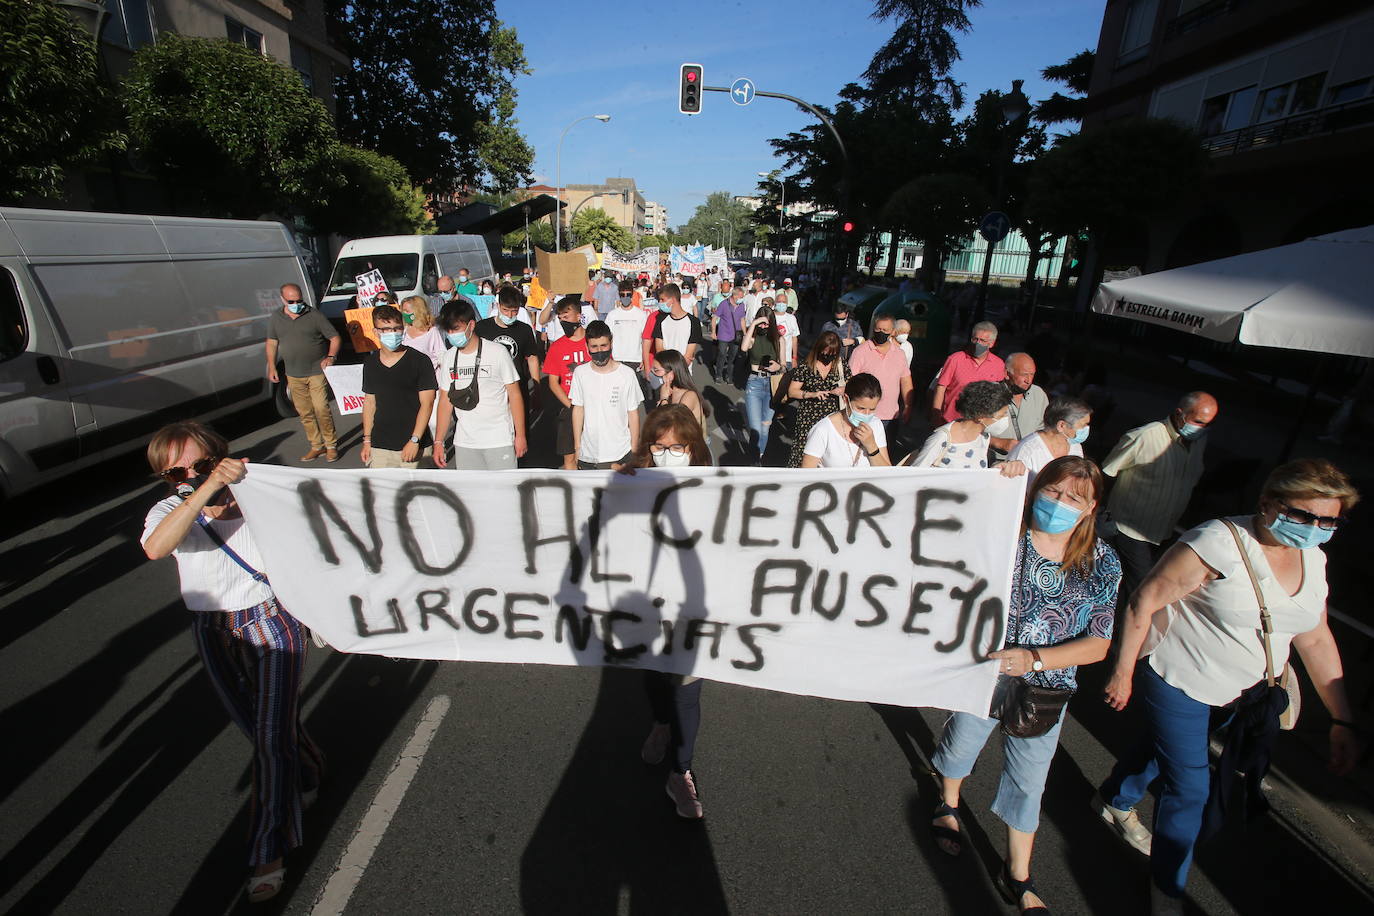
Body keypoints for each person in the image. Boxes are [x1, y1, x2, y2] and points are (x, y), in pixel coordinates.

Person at [1098, 459, 1361, 915]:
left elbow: (1315, 637)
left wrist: (1341, 719)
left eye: (1327, 521)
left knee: (1167, 751)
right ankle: (1167, 889)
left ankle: (1113, 800)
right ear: (1268, 504)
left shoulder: (1314, 560)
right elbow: (1145, 599)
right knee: (1190, 788)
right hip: (1178, 678)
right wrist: (1122, 670)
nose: (1314, 528)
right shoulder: (1216, 543)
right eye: (1302, 516)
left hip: (1244, 692)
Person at [140, 421, 324, 904]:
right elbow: (157, 548)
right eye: (173, 473)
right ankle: (307, 767)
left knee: (267, 740)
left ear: (221, 456)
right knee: (260, 727)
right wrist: (200, 493)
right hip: (212, 629)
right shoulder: (170, 509)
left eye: (199, 465)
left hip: (269, 620)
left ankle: (269, 850)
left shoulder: (259, 493)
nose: (187, 476)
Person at [931, 456, 1119, 916]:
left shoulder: (1102, 563)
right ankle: (948, 804)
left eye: (1073, 498)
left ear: (1091, 508)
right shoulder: (1003, 533)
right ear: (1036, 489)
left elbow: (1097, 643)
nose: (1058, 503)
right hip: (982, 668)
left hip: (1045, 687)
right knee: (962, 741)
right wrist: (1000, 477)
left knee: (1029, 777)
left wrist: (1034, 660)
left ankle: (1018, 874)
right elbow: (940, 516)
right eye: (1051, 491)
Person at [620, 404, 713, 818]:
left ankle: (681, 772)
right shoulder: (635, 482)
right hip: (649, 603)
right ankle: (660, 723)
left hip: (693, 604)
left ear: (693, 447)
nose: (668, 454)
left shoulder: (714, 485)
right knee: (656, 676)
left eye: (677, 448)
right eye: (659, 448)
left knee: (688, 691)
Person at [1100, 391, 1219, 600]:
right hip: (1128, 529)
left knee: (1131, 586)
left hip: (1162, 531)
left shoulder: (1199, 441)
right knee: (1141, 588)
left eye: (1207, 424)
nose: (1201, 428)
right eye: (1198, 421)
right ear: (1180, 414)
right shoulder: (1145, 436)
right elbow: (1106, 473)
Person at [432, 299, 526, 470]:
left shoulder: (497, 351)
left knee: (503, 492)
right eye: (448, 330)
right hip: (465, 441)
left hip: (499, 439)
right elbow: (445, 401)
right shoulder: (448, 357)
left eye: (456, 329)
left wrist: (520, 435)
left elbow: (514, 394)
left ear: (471, 325)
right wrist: (439, 441)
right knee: (471, 495)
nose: (452, 334)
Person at [266, 283, 340, 462]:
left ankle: (331, 445)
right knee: (305, 412)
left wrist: (331, 357)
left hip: (316, 371)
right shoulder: (276, 318)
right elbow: (271, 342)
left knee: (321, 408)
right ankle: (316, 446)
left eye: (299, 300)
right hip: (293, 373)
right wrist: (272, 366)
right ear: (283, 299)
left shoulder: (314, 315)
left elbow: (335, 337)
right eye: (292, 301)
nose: (297, 304)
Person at [361, 306, 438, 469]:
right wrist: (367, 440)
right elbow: (369, 403)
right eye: (386, 329)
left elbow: (427, 403)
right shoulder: (370, 363)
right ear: (376, 332)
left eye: (397, 328)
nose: (393, 333)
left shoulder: (420, 361)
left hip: (415, 445)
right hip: (380, 446)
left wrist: (414, 439)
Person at [908, 381, 1024, 474]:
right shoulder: (942, 438)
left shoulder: (983, 436)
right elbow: (914, 475)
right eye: (1001, 415)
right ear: (981, 417)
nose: (1005, 419)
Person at [571, 320, 643, 469]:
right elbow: (578, 409)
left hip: (621, 452)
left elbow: (633, 413)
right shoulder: (580, 373)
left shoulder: (627, 374)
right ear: (587, 347)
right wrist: (577, 446)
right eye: (594, 347)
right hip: (589, 453)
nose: (599, 351)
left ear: (611, 343)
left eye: (604, 346)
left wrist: (634, 447)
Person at [799, 373, 892, 468]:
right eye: (861, 408)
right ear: (846, 400)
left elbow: (887, 473)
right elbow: (806, 475)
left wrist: (872, 446)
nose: (866, 414)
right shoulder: (823, 430)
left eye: (872, 409)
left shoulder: (876, 424)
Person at [847, 313, 913, 442]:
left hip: (890, 416)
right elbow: (850, 381)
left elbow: (905, 381)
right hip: (864, 416)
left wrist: (908, 405)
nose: (880, 333)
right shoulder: (860, 351)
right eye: (878, 329)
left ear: (893, 332)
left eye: (885, 330)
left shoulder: (899, 354)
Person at [542, 296, 591, 470]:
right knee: (570, 457)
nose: (563, 321)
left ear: (578, 316)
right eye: (560, 318)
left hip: (594, 406)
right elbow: (553, 382)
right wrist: (571, 406)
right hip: (569, 407)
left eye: (567, 317)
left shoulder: (592, 341)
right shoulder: (557, 347)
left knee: (593, 456)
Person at [786, 331, 848, 468]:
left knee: (827, 454)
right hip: (808, 418)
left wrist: (842, 390)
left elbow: (852, 386)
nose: (828, 357)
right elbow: (792, 391)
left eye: (832, 354)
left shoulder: (841, 364)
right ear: (819, 349)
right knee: (802, 452)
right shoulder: (806, 366)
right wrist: (812, 394)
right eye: (825, 353)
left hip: (832, 418)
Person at [933, 321, 1006, 425]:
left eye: (982, 340)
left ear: (991, 343)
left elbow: (998, 395)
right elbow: (940, 388)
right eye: (975, 339)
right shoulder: (955, 359)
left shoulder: (998, 365)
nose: (977, 343)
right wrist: (936, 415)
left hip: (979, 426)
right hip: (951, 422)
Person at [1006, 397, 1092, 484]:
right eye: (1083, 425)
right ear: (1062, 425)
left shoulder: (1075, 446)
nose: (1086, 429)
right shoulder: (1027, 450)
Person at [476, 286, 541, 393]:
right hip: (490, 387)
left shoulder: (524, 329)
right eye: (505, 310)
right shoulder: (482, 327)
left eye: (514, 311)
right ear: (498, 306)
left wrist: (537, 388)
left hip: (518, 385)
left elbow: (532, 358)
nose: (509, 315)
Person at [739, 306, 784, 460]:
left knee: (765, 427)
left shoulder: (779, 340)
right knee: (756, 428)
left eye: (767, 324)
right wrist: (753, 324)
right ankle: (753, 462)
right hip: (754, 383)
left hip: (772, 384)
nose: (764, 326)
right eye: (761, 324)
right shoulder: (752, 337)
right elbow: (744, 347)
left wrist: (778, 366)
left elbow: (784, 365)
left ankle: (759, 456)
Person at [990, 353, 1050, 457]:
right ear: (1007, 374)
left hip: (1028, 462)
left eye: (1032, 374)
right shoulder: (989, 393)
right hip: (995, 462)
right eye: (1024, 374)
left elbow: (1045, 429)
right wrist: (998, 442)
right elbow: (971, 431)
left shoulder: (1039, 394)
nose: (1029, 380)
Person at [651, 349, 707, 430]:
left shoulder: (689, 396)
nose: (652, 373)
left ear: (671, 374)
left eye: (656, 370)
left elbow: (672, 426)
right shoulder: (669, 390)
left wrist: (664, 400)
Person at [652, 283, 704, 366]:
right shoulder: (660, 319)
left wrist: (675, 369)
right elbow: (659, 349)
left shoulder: (693, 322)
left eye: (662, 299)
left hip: (683, 373)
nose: (660, 303)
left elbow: (689, 355)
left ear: (672, 300)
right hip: (663, 371)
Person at [711, 282, 748, 383]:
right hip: (724, 334)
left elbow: (742, 320)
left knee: (733, 356)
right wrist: (714, 332)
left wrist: (745, 334)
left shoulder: (741, 305)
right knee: (722, 354)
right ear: (734, 295)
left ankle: (728, 375)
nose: (742, 298)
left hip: (736, 335)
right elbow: (715, 318)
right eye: (740, 296)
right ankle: (718, 374)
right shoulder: (724, 304)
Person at [399, 295, 446, 368]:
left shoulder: (432, 331)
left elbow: (441, 354)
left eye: (407, 311)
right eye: (403, 311)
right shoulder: (403, 331)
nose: (404, 314)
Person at [771, 296, 800, 369]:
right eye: (779, 301)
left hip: (787, 359)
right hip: (771, 358)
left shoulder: (791, 318)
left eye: (784, 302)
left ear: (787, 304)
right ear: (775, 303)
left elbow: (794, 338)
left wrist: (794, 357)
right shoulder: (770, 317)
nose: (781, 304)